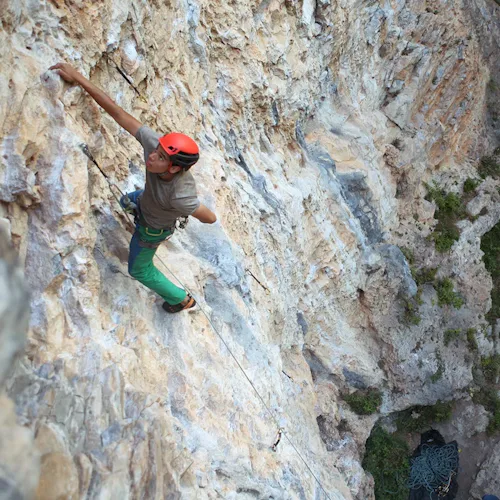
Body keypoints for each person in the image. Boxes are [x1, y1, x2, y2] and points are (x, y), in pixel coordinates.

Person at [49, 62, 217, 313]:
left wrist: (188, 206)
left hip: (152, 229)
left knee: (138, 269)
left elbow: (210, 218)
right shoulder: (156, 148)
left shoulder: (181, 196)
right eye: (156, 151)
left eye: (160, 158)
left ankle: (181, 299)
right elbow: (118, 114)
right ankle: (137, 210)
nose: (151, 158)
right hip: (145, 200)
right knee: (128, 201)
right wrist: (80, 79)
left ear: (173, 168)